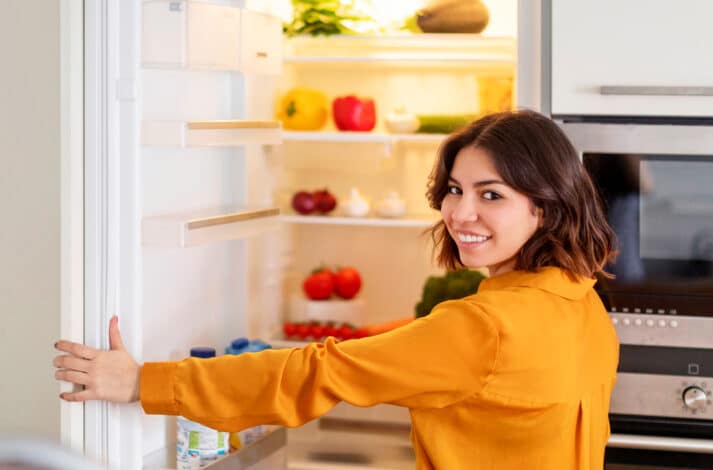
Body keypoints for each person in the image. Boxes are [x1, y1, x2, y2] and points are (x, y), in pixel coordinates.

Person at [53, 110, 619, 469]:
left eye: (491, 194)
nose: (459, 212)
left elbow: (317, 373)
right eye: (453, 189)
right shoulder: (580, 298)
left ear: (543, 208)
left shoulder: (482, 330)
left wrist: (143, 382)